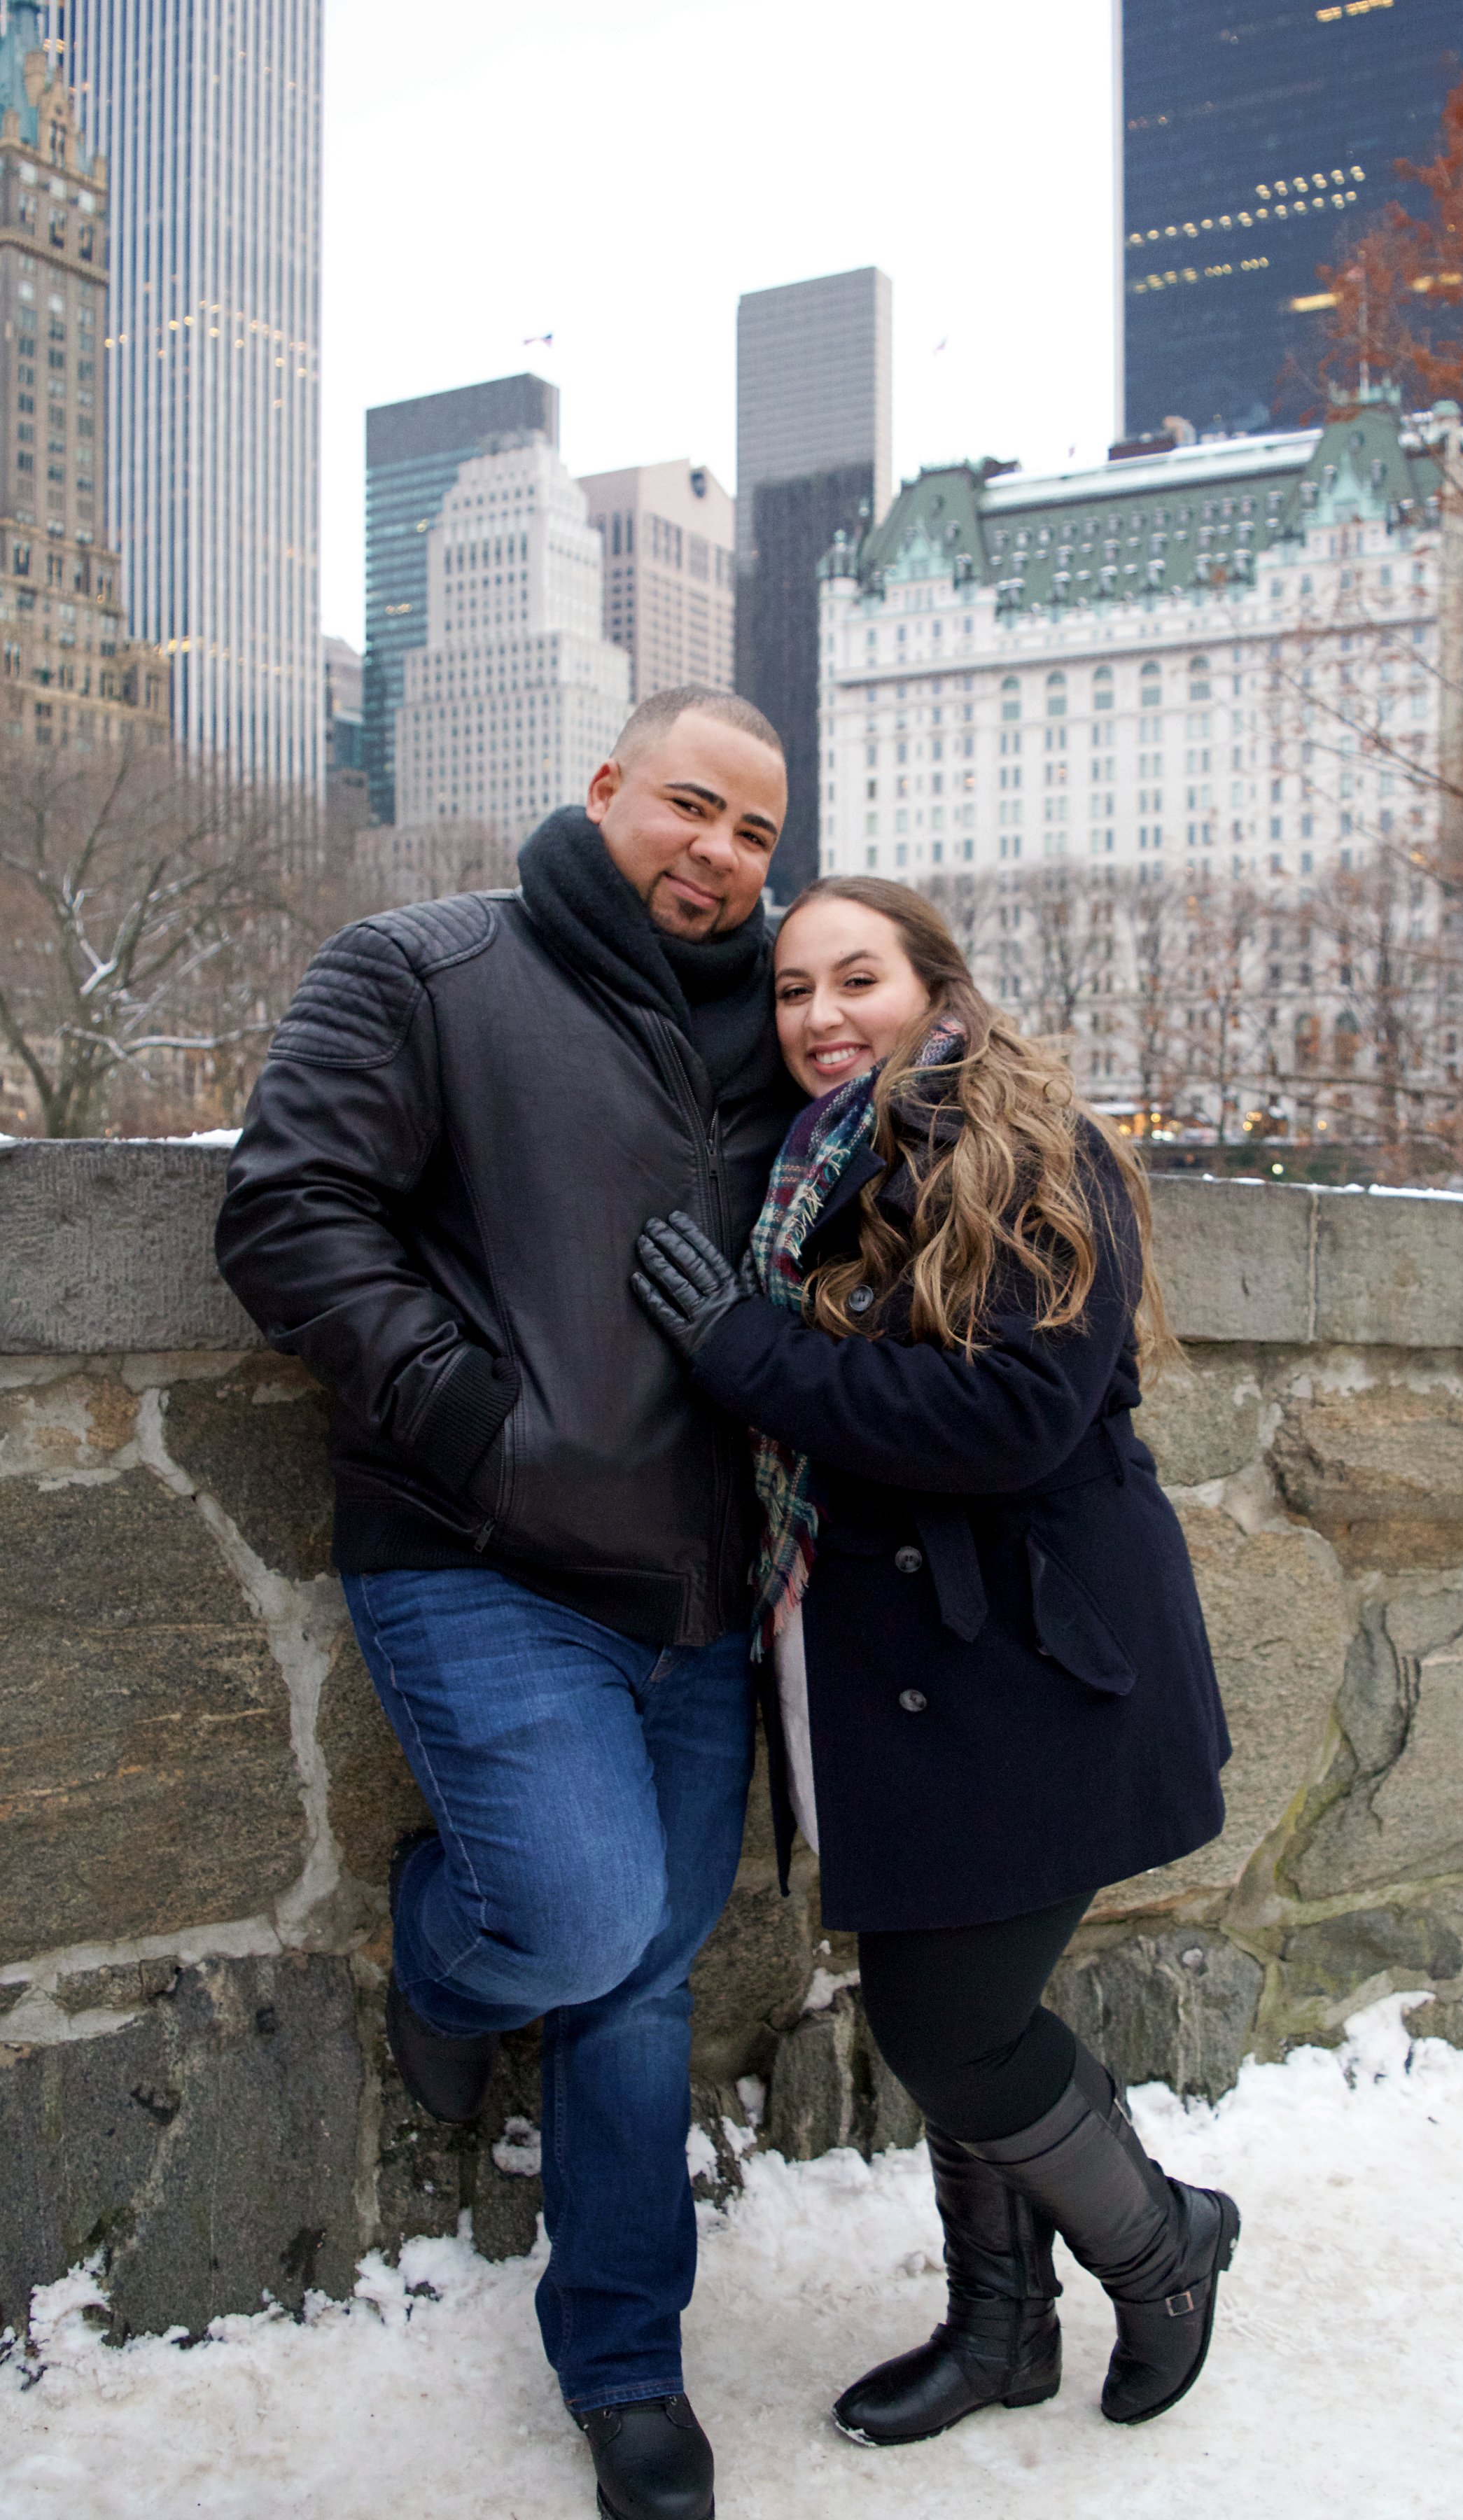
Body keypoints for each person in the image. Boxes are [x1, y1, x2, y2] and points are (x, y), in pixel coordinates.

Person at [216, 687, 800, 2520]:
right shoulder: (426, 968)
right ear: (607, 785)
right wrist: (484, 1424)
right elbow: (289, 1209)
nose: (719, 853)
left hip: (705, 1589)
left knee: (642, 1984)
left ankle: (625, 2366)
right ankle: (444, 1953)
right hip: (484, 1555)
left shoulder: (796, 1037)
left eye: (758, 834)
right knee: (573, 1917)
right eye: (689, 807)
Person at [631, 876, 1238, 2449]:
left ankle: (1165, 2248)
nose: (821, 1016)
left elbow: (1012, 1415)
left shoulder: (1032, 1152)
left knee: (947, 2022)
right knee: (949, 2004)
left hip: (1041, 1671)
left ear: (936, 988)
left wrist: (745, 1353)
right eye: (790, 990)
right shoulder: (806, 1174)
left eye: (858, 980)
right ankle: (1002, 2328)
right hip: (896, 1674)